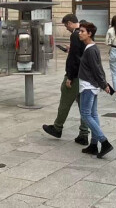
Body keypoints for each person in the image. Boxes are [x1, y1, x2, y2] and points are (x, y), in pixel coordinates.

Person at [42, 15, 89, 145]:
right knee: (83, 105)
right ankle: (84, 133)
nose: (66, 28)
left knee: (65, 101)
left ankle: (57, 128)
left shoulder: (75, 35)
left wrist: (70, 76)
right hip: (85, 75)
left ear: (69, 23)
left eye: (66, 25)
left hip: (76, 75)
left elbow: (74, 58)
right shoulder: (86, 32)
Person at [76, 21, 114, 158]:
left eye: (82, 31)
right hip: (92, 85)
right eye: (79, 31)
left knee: (86, 114)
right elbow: (99, 68)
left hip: (88, 86)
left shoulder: (91, 49)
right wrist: (104, 83)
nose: (80, 33)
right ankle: (93, 144)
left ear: (89, 34)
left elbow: (96, 69)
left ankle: (104, 142)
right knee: (93, 114)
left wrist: (104, 84)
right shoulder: (92, 48)